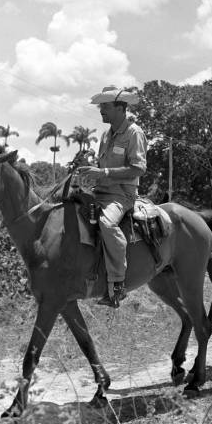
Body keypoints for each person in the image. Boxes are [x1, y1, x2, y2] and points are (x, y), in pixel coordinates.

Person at [76, 86, 147, 308]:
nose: (101, 111)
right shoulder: (106, 134)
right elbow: (102, 168)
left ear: (120, 108)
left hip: (122, 195)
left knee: (106, 223)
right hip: (101, 192)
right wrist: (90, 175)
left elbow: (139, 169)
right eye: (101, 106)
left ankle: (117, 284)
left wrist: (104, 173)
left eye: (105, 106)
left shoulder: (134, 132)